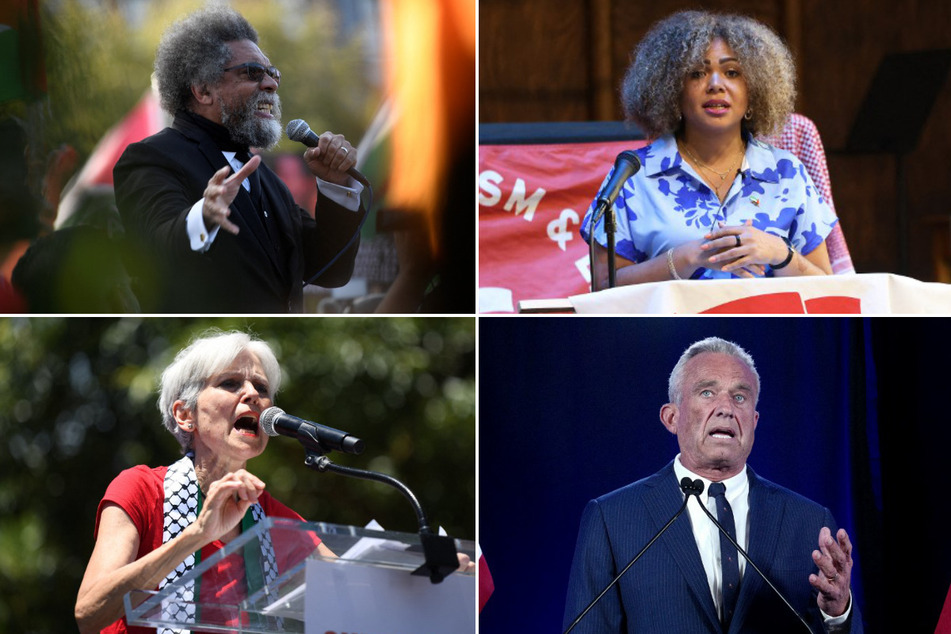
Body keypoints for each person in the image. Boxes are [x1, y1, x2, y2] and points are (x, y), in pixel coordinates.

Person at [563, 337, 862, 633]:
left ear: (754, 421)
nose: (726, 409)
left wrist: (836, 615)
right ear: (671, 417)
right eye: (707, 393)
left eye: (740, 397)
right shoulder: (612, 518)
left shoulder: (809, 522)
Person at [74, 331, 334, 633]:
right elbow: (89, 612)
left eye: (261, 387)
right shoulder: (141, 489)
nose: (252, 395)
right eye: (230, 383)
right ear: (186, 415)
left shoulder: (272, 517)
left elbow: (353, 589)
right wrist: (197, 535)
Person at [113, 6, 365, 313]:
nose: (271, 84)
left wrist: (335, 185)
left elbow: (331, 270)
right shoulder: (151, 158)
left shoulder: (268, 180)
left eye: (273, 74)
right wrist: (203, 215)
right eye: (252, 73)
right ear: (203, 90)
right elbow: (155, 251)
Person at [581, 11, 837, 290]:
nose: (716, 84)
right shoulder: (633, 176)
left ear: (755, 91)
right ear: (671, 91)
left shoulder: (787, 173)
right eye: (697, 73)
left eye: (732, 72)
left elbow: (827, 290)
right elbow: (604, 287)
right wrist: (688, 258)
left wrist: (779, 253)